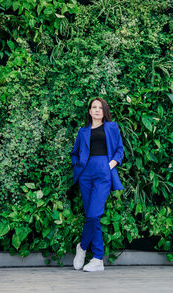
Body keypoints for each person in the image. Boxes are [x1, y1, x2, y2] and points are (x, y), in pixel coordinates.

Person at [71, 97, 124, 272]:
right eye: (94, 107)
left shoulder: (111, 127)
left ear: (104, 111)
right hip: (86, 174)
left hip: (103, 172)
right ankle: (98, 260)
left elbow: (119, 149)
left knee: (94, 214)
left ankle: (83, 247)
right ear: (89, 111)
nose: (97, 110)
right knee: (91, 216)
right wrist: (78, 165)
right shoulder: (82, 131)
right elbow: (75, 153)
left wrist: (111, 164)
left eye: (100, 108)